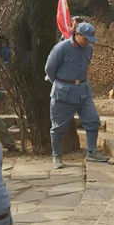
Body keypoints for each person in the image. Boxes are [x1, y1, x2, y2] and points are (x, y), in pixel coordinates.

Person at [45, 22, 110, 169]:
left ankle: (92, 151)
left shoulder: (88, 49)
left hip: (83, 90)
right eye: (85, 38)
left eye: (89, 40)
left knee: (93, 120)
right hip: (63, 91)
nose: (87, 42)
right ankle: (57, 155)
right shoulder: (61, 48)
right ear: (77, 34)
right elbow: (49, 68)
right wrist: (60, 82)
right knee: (58, 127)